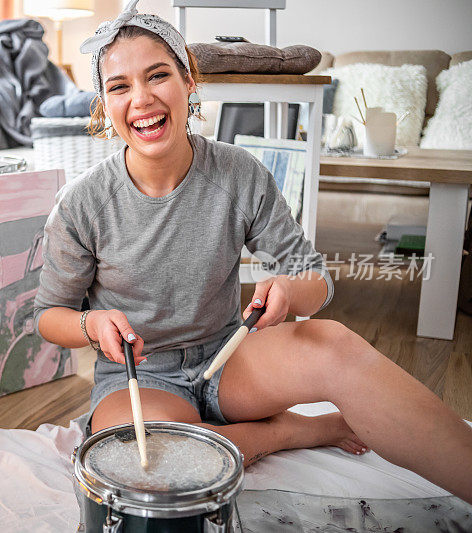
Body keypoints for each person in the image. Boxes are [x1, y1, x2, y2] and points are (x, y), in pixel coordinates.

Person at [33, 0, 472, 503]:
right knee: (147, 465)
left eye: (158, 76)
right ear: (104, 106)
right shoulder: (83, 203)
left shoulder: (239, 173)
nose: (142, 99)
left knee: (336, 345)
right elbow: (51, 315)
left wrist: (288, 290)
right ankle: (288, 432)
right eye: (119, 87)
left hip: (229, 360)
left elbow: (313, 277)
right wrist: (93, 324)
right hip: (139, 377)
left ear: (188, 80)